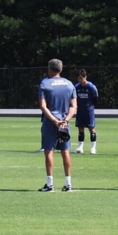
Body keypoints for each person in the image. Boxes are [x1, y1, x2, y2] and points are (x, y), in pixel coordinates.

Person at [38, 59, 76, 192]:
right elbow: (73, 106)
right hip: (65, 123)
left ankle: (50, 184)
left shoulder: (45, 83)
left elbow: (43, 106)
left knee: (49, 152)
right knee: (65, 152)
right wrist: (65, 120)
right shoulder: (69, 84)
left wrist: (54, 120)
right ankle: (68, 183)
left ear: (49, 69)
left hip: (50, 122)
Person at [74, 70, 98, 155]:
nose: (80, 80)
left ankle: (93, 148)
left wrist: (91, 106)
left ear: (85, 77)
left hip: (89, 110)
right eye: (79, 78)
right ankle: (80, 147)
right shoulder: (76, 87)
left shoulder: (91, 87)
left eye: (82, 78)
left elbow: (95, 98)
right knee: (80, 129)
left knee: (91, 128)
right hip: (80, 110)